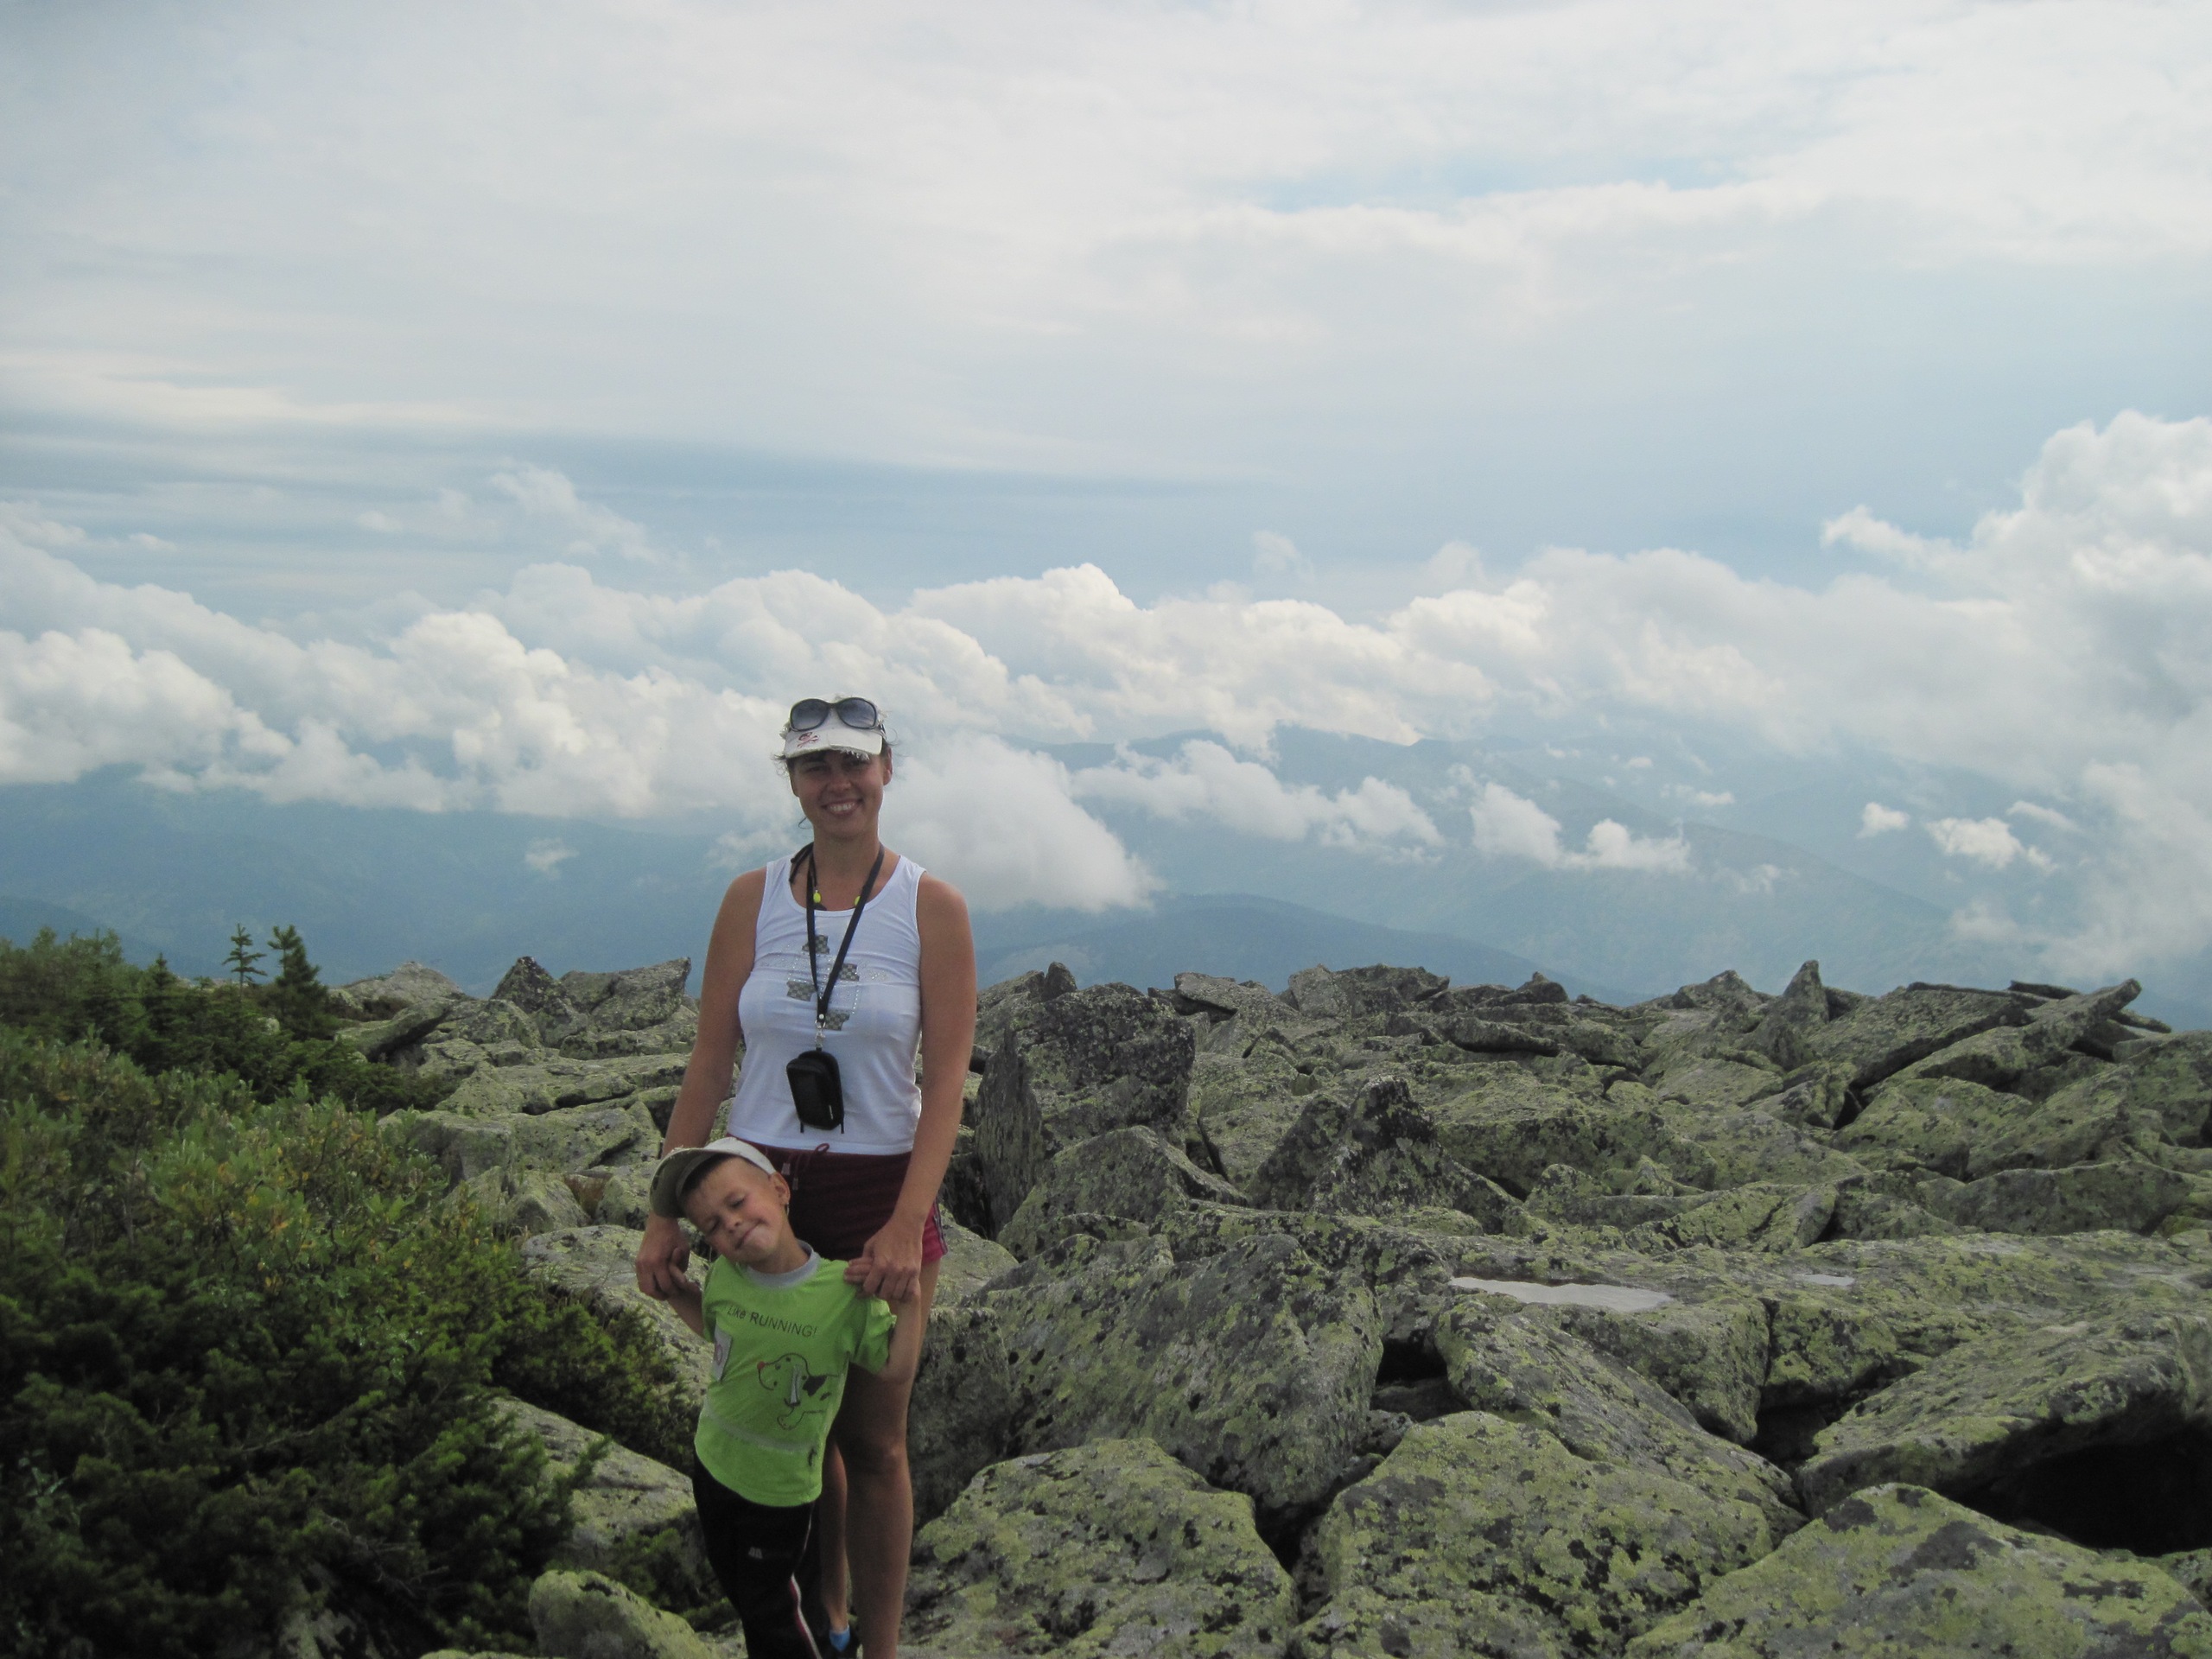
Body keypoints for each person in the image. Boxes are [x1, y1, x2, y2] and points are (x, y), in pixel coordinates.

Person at [634, 696, 976, 1659]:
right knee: (797, 1426)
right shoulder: (750, 900)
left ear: (886, 770)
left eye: (854, 763)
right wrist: (665, 1211)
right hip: (755, 1188)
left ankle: (880, 1646)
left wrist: (906, 1224)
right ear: (792, 781)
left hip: (877, 1192)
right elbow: (710, 1059)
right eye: (816, 766)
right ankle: (823, 1615)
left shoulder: (931, 908)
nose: (838, 783)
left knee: (873, 1440)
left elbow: (948, 1083)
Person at [651, 1137, 927, 1659]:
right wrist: (676, 1292)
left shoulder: (843, 1292)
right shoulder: (726, 1277)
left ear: (780, 1189)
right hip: (712, 1469)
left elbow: (895, 1367)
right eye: (712, 1226)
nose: (731, 1224)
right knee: (746, 1595)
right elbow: (716, 1329)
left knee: (777, 1612)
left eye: (737, 1203)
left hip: (780, 1495)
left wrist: (909, 1303)